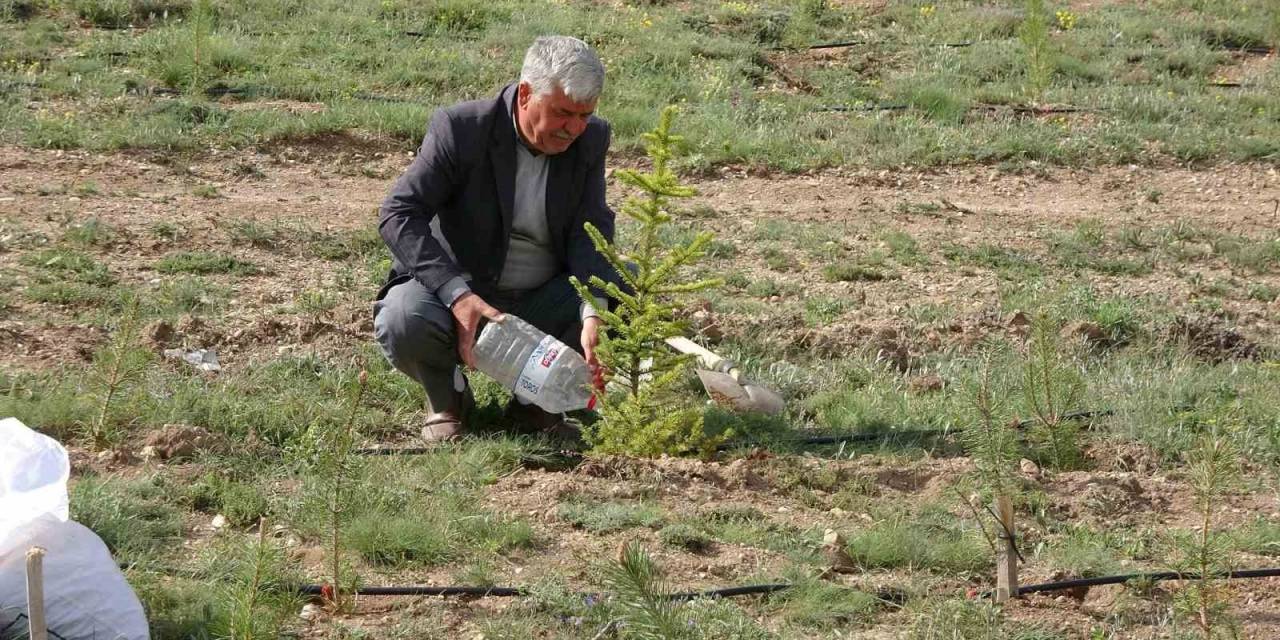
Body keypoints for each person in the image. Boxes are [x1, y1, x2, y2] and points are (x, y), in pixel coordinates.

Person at [373, 36, 618, 443]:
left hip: (543, 297)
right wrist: (457, 294)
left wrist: (593, 309)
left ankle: (535, 406)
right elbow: (399, 213)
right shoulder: (462, 129)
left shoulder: (591, 139)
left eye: (584, 116)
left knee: (623, 293)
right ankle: (448, 399)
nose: (574, 128)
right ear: (525, 94)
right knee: (402, 316)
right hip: (466, 296)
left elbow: (589, 228)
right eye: (562, 113)